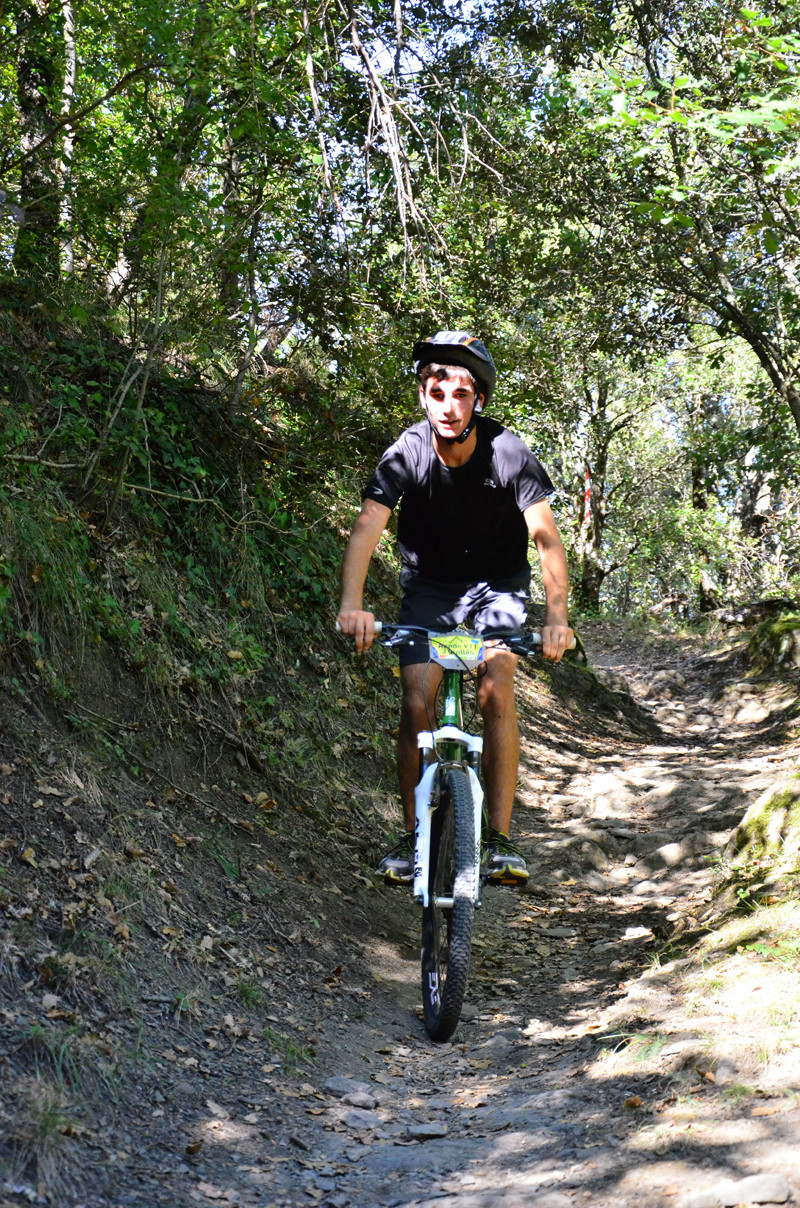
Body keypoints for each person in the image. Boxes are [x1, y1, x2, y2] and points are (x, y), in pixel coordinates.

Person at [337, 331, 573, 885]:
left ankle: (499, 841)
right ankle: (411, 836)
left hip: (497, 584)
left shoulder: (508, 452)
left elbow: (546, 539)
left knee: (495, 687)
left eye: (461, 395)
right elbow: (368, 527)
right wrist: (353, 605)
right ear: (423, 396)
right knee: (416, 698)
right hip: (431, 585)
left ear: (478, 400)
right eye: (436, 393)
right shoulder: (408, 451)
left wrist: (557, 619)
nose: (448, 406)